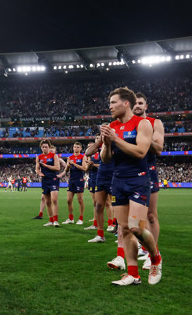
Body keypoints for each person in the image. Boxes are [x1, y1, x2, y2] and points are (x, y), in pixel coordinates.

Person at [100, 87, 162, 286]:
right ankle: (133, 274)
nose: (109, 107)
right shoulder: (112, 126)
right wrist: (107, 143)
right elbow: (105, 159)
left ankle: (156, 258)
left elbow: (141, 152)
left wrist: (116, 139)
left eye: (113, 102)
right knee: (124, 229)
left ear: (126, 103)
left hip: (138, 179)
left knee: (136, 227)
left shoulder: (142, 124)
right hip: (118, 180)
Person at [133, 92, 165, 270]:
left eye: (140, 103)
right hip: (131, 173)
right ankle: (143, 249)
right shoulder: (127, 125)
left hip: (149, 171)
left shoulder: (155, 123)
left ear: (146, 106)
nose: (137, 106)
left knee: (151, 215)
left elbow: (159, 149)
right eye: (134, 103)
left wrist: (146, 135)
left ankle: (153, 253)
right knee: (136, 219)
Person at [36, 140, 61, 227]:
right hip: (45, 180)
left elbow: (58, 168)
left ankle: (56, 220)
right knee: (47, 202)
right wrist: (39, 173)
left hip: (53, 179)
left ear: (49, 147)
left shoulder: (54, 156)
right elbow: (37, 168)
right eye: (43, 147)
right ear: (41, 148)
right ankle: (51, 220)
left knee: (54, 200)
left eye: (46, 147)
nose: (44, 148)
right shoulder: (39, 157)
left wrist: (47, 166)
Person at [61, 142, 86, 225]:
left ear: (80, 149)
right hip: (71, 180)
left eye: (78, 147)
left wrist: (74, 163)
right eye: (75, 147)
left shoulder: (83, 157)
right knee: (68, 200)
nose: (76, 148)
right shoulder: (70, 157)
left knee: (80, 200)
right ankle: (71, 218)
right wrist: (68, 165)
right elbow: (68, 170)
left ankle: (81, 218)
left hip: (79, 180)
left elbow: (84, 168)